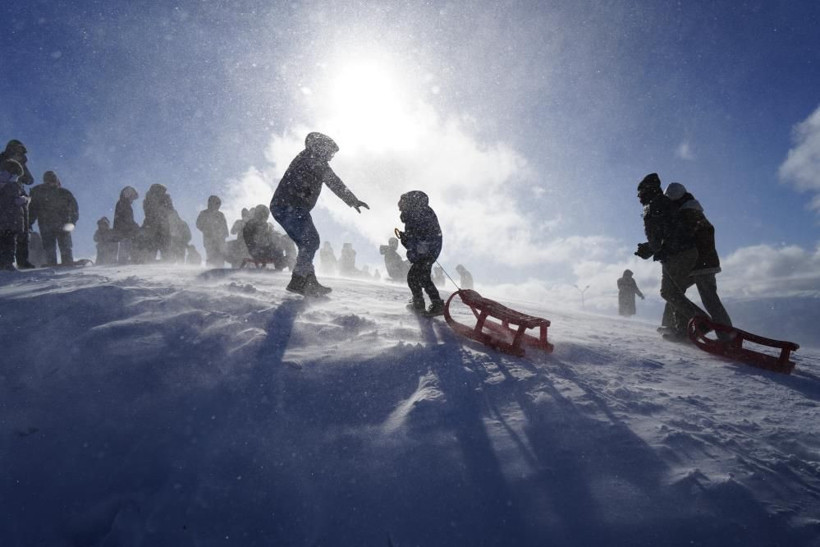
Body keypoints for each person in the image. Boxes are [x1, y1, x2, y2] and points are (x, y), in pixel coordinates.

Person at [269, 132, 369, 296]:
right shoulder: (312, 159)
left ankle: (308, 281)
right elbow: (334, 182)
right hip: (290, 206)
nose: (330, 157)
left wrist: (353, 200)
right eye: (330, 152)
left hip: (287, 206)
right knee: (310, 241)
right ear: (320, 147)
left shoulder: (310, 158)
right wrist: (353, 200)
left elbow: (332, 181)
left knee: (307, 243)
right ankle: (299, 280)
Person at [664, 183, 733, 336]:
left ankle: (726, 335)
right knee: (675, 292)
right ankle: (681, 327)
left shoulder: (688, 213)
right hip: (699, 263)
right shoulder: (691, 211)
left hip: (701, 264)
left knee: (707, 299)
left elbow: (686, 239)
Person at [397, 190, 445, 316]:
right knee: (424, 278)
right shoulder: (416, 214)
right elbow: (416, 238)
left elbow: (421, 235)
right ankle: (436, 304)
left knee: (413, 277)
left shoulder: (418, 213)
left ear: (411, 202)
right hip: (429, 251)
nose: (399, 205)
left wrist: (419, 243)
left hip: (427, 253)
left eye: (402, 201)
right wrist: (406, 239)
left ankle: (419, 304)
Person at [29, 170, 79, 266]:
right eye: (48, 180)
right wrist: (72, 221)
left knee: (59, 248)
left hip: (55, 225)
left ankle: (62, 263)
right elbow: (33, 209)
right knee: (53, 248)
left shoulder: (62, 193)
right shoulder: (61, 193)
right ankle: (61, 264)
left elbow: (74, 209)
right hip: (52, 225)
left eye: (52, 179)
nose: (50, 182)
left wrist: (72, 222)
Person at [0, 140, 35, 269]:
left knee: (23, 229)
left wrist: (18, 174)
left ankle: (22, 260)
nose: (19, 152)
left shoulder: (21, 162)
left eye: (21, 150)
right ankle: (6, 261)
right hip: (5, 197)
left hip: (18, 194)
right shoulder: (2, 160)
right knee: (6, 231)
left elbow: (29, 179)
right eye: (17, 149)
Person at [0, 159, 29, 270]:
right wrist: (24, 199)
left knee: (4, 241)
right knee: (9, 242)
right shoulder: (12, 185)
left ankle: (3, 263)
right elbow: (12, 201)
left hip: (4, 220)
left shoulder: (5, 182)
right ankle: (7, 264)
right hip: (10, 219)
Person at [243, 204, 287, 269]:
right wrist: (273, 240)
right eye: (265, 215)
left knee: (285, 242)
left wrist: (279, 237)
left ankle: (286, 262)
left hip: (262, 250)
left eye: (266, 215)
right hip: (258, 251)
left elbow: (273, 233)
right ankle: (281, 265)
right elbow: (258, 241)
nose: (266, 217)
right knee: (279, 250)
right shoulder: (253, 224)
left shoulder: (263, 224)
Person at [137, 183, 173, 262]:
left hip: (160, 228)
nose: (162, 193)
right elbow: (150, 213)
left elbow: (170, 212)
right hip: (154, 229)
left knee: (164, 250)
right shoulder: (149, 200)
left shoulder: (164, 199)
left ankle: (168, 266)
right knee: (153, 250)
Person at [196, 195, 229, 267]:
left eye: (219, 204)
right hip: (209, 239)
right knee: (211, 255)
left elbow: (224, 226)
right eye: (216, 204)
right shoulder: (204, 213)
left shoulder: (220, 215)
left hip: (220, 239)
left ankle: (220, 270)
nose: (218, 206)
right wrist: (206, 230)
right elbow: (198, 224)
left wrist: (224, 235)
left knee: (220, 255)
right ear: (211, 203)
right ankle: (210, 269)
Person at [113, 186, 140, 264]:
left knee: (125, 248)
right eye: (132, 198)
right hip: (125, 232)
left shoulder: (122, 203)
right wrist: (135, 227)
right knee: (125, 248)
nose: (132, 200)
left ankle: (124, 262)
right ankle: (123, 264)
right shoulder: (124, 204)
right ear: (128, 195)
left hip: (124, 232)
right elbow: (128, 220)